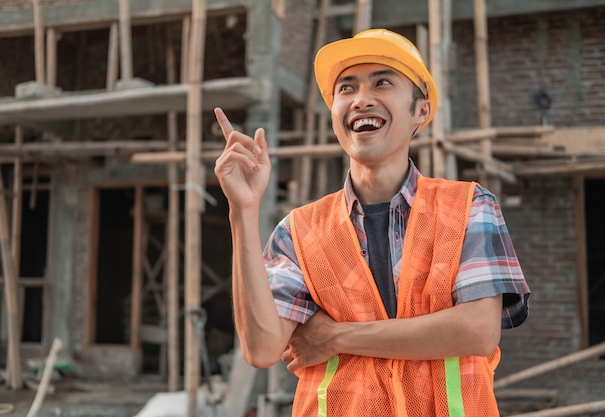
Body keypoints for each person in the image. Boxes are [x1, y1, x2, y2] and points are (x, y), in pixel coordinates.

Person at [213, 28, 530, 417]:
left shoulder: (467, 207)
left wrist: (336, 337)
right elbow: (262, 349)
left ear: (421, 111)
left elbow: (477, 331)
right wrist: (242, 211)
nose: (362, 99)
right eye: (346, 88)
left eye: (382, 82)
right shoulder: (299, 232)